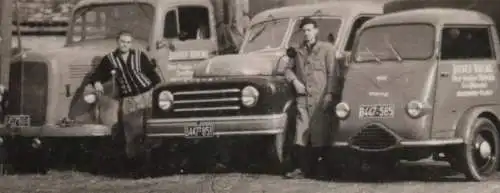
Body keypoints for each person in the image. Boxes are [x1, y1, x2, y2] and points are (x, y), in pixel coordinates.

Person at [88, 30, 162, 168]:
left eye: (128, 42)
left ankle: (154, 164)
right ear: (117, 42)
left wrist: (157, 92)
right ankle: (135, 166)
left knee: (152, 131)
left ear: (131, 43)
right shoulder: (110, 59)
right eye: (122, 42)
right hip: (129, 100)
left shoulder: (139, 56)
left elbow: (152, 75)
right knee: (133, 134)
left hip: (147, 95)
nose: (125, 45)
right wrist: (97, 82)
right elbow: (97, 75)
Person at [283, 17, 338, 179]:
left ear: (316, 30)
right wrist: (294, 81)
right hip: (303, 98)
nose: (307, 33)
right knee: (301, 134)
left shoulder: (327, 49)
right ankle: (301, 169)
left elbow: (333, 73)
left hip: (320, 98)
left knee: (320, 134)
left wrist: (329, 93)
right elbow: (287, 69)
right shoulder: (299, 51)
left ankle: (321, 170)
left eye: (309, 30)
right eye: (304, 30)